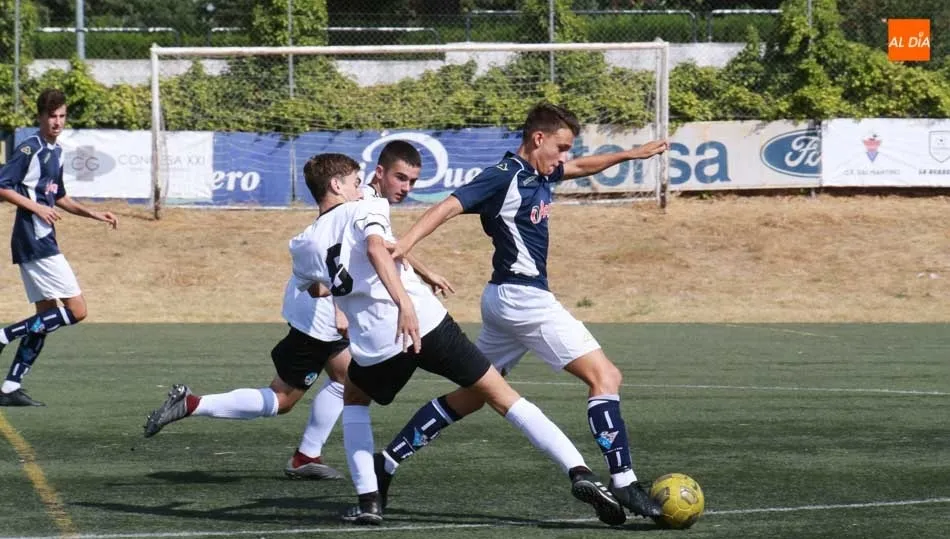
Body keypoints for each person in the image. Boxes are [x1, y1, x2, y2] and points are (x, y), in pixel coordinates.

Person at [291, 152, 626, 526]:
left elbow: (318, 288)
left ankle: (369, 500)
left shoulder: (302, 243)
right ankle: (579, 471)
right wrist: (404, 303)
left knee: (354, 399)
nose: (361, 187)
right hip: (427, 323)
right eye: (356, 182)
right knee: (502, 396)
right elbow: (375, 248)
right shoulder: (366, 206)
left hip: (377, 342)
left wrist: (347, 294)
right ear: (336, 185)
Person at [378, 102, 670, 519]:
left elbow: (581, 167)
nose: (565, 156)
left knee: (474, 395)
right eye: (561, 147)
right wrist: (406, 244)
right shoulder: (503, 175)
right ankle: (624, 481)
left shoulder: (541, 172)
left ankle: (386, 462)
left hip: (503, 301)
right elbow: (449, 205)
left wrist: (630, 154)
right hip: (524, 299)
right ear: (538, 139)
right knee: (605, 377)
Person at [141, 141, 453, 481]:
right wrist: (340, 310)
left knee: (347, 381)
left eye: (412, 181)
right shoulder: (363, 201)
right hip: (320, 317)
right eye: (401, 178)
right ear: (378, 174)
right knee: (283, 399)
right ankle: (193, 404)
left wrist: (426, 272)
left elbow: (387, 247)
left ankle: (306, 456)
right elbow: (340, 265)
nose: (407, 188)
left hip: (323, 308)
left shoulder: (362, 201)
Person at [0, 88, 118, 407]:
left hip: (40, 238)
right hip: (34, 238)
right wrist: (36, 208)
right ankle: (3, 336)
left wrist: (94, 214)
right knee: (77, 310)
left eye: (62, 116)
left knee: (46, 316)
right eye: (52, 116)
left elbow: (59, 196)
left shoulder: (57, 152)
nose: (58, 122)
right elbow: (2, 186)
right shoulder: (30, 148)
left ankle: (10, 387)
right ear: (40, 117)